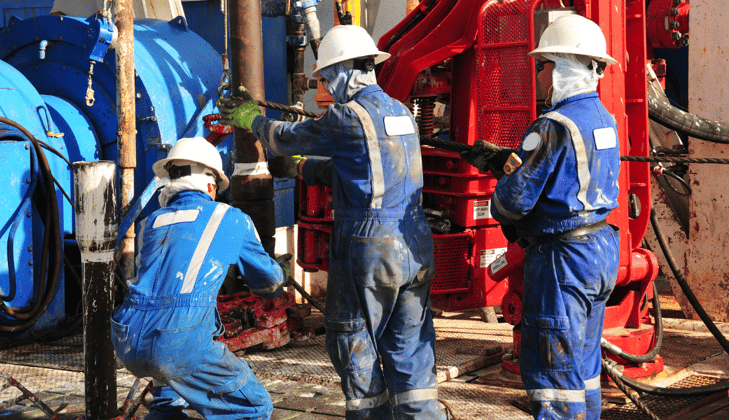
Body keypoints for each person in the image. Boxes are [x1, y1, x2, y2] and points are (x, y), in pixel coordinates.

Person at [217, 24, 445, 420]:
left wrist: (252, 119)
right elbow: (372, 169)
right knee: (409, 348)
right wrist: (309, 170)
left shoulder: (347, 116)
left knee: (353, 337)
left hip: (369, 248)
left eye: (326, 77)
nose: (325, 86)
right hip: (413, 245)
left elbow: (284, 137)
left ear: (345, 70)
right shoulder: (401, 112)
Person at [462, 14, 621, 420]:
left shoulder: (551, 126)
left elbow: (513, 203)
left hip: (562, 259)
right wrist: (512, 163)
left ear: (564, 66)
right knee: (582, 368)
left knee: (551, 371)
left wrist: (504, 179)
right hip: (601, 250)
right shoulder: (603, 119)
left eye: (543, 64)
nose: (539, 74)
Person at [109, 137, 288, 420]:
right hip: (180, 339)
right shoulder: (228, 217)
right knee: (252, 407)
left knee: (167, 405)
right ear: (209, 184)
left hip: (129, 337)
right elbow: (268, 283)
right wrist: (281, 275)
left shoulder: (149, 223)